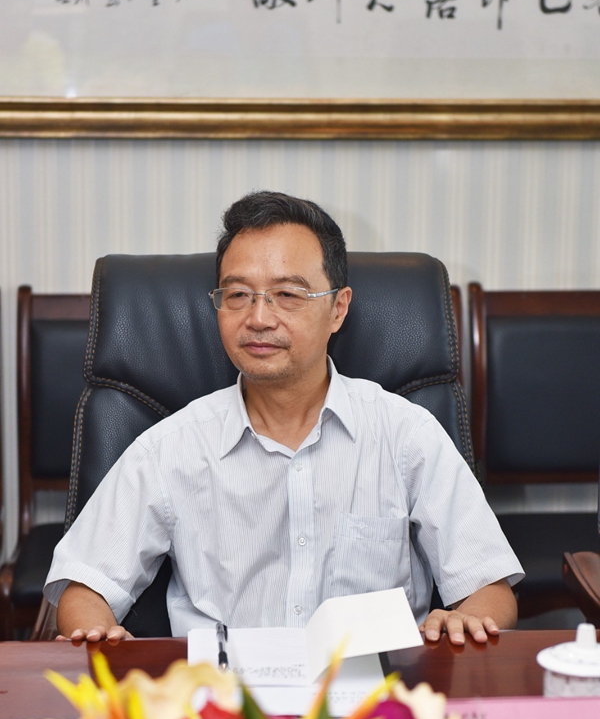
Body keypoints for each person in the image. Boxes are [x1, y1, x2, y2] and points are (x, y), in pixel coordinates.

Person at [44, 191, 523, 646]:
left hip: (374, 689)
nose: (258, 318)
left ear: (338, 309)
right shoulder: (171, 448)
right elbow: (85, 584)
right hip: (221, 693)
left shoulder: (405, 435)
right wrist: (99, 633)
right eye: (238, 295)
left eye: (288, 295)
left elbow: (489, 587)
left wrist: (464, 619)